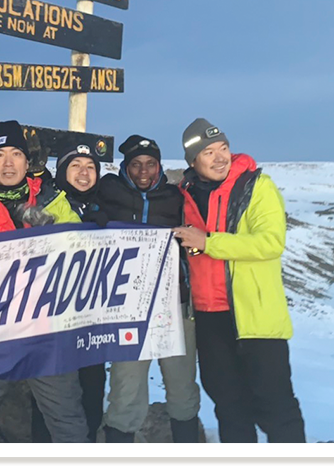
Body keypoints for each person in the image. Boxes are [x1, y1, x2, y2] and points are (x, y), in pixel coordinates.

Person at [0, 120, 90, 443]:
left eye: (15, 154)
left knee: (69, 425)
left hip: (46, 333)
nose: (8, 163)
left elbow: (81, 248)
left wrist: (46, 224)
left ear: (27, 162)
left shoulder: (52, 201)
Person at [172, 118, 305, 443]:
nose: (220, 158)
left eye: (224, 149)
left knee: (277, 409)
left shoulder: (256, 187)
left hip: (255, 318)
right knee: (230, 409)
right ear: (192, 162)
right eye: (208, 153)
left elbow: (270, 242)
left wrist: (209, 242)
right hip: (209, 318)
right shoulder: (184, 196)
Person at [95, 135, 201, 443]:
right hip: (127, 310)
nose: (144, 172)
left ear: (160, 166)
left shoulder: (176, 198)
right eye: (136, 165)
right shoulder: (107, 193)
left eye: (151, 164)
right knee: (125, 393)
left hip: (174, 306)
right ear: (124, 168)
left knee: (182, 390)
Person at [30, 142, 107, 443]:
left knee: (91, 398)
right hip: (51, 320)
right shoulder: (42, 201)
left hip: (92, 321)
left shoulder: (107, 203)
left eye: (90, 167)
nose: (84, 173)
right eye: (75, 166)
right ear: (62, 171)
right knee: (48, 405)